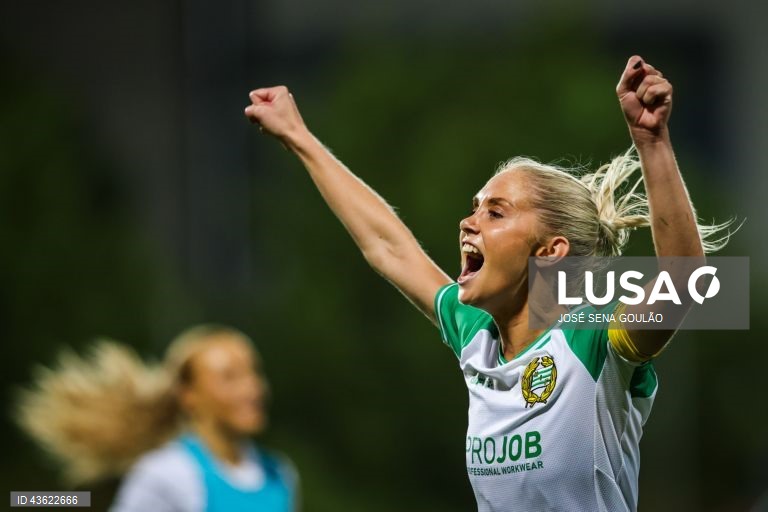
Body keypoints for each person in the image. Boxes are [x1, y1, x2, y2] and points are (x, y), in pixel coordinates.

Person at [244, 56, 734, 511]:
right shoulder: (476, 335)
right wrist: (298, 137)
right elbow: (388, 248)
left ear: (550, 252)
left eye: (495, 213)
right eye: (475, 207)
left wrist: (651, 141)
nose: (468, 222)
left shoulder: (593, 337)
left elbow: (684, 279)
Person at [16, 324, 298, 512]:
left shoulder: (279, 475)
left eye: (253, 372)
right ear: (188, 394)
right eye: (229, 377)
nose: (252, 389)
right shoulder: (167, 475)